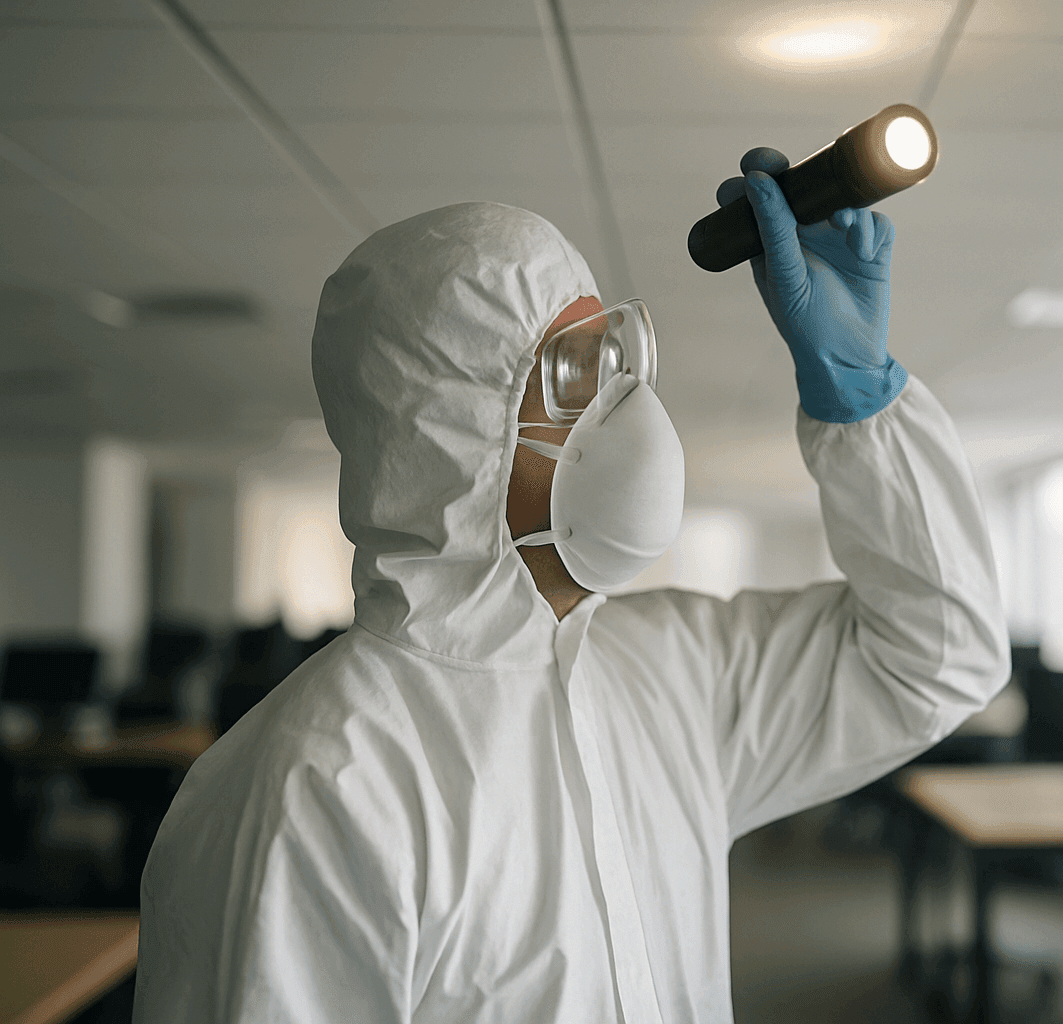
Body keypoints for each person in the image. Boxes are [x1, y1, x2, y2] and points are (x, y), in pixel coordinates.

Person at [133, 148, 1009, 1023]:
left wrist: (862, 404)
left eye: (617, 362)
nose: (624, 405)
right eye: (573, 374)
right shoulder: (325, 781)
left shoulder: (669, 678)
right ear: (452, 435)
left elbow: (937, 657)